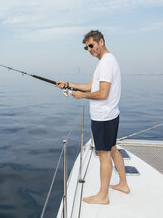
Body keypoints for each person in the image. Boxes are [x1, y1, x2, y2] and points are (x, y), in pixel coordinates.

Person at [56, 30, 130, 205]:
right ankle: (123, 184)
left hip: (103, 117)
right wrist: (69, 84)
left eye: (92, 45)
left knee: (104, 155)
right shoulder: (105, 61)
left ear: (101, 42)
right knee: (112, 148)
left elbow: (103, 94)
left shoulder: (106, 63)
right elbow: (90, 86)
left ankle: (103, 196)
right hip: (111, 115)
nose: (89, 49)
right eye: (86, 47)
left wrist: (81, 96)